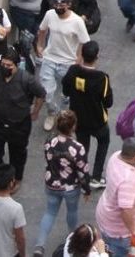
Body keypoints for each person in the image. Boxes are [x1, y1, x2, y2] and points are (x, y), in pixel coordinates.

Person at [0, 48, 47, 183]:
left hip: (19, 124)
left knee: (18, 154)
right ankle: (0, 177)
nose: (5, 68)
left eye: (9, 65)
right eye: (3, 64)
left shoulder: (27, 79)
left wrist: (35, 112)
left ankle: (16, 178)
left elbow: (41, 94)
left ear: (16, 65)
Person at [33, 110, 91, 257]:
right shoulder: (78, 147)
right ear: (73, 127)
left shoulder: (49, 141)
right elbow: (83, 170)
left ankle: (39, 245)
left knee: (50, 212)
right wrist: (87, 189)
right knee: (72, 212)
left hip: (51, 183)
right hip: (70, 187)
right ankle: (72, 241)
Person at [62, 40, 113, 190]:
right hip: (98, 120)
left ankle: (82, 175)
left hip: (78, 120)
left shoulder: (72, 71)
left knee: (83, 147)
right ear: (97, 56)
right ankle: (96, 177)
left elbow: (65, 91)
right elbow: (108, 102)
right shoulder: (102, 78)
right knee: (103, 142)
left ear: (82, 55)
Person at [38, 0, 90, 130]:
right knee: (46, 92)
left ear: (69, 4)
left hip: (68, 62)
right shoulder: (49, 14)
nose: (59, 7)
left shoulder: (77, 21)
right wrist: (40, 45)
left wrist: (78, 59)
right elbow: (42, 30)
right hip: (50, 58)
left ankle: (64, 116)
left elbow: (83, 41)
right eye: (56, 4)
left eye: (62, 4)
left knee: (67, 94)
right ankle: (52, 113)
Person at [95, 137, 135, 257]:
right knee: (117, 252)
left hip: (107, 214)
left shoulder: (116, 156)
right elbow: (125, 210)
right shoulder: (127, 180)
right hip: (118, 230)